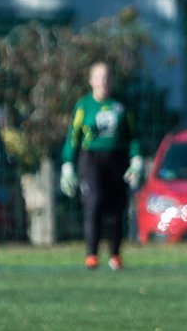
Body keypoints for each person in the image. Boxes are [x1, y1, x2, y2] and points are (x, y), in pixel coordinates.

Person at [59, 61, 143, 271]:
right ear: (91, 80)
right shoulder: (83, 106)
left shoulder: (121, 106)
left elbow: (132, 137)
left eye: (107, 77)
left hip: (117, 158)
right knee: (94, 202)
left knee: (116, 207)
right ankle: (91, 255)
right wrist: (68, 163)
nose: (103, 81)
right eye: (99, 77)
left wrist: (136, 159)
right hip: (90, 159)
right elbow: (73, 137)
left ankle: (115, 254)